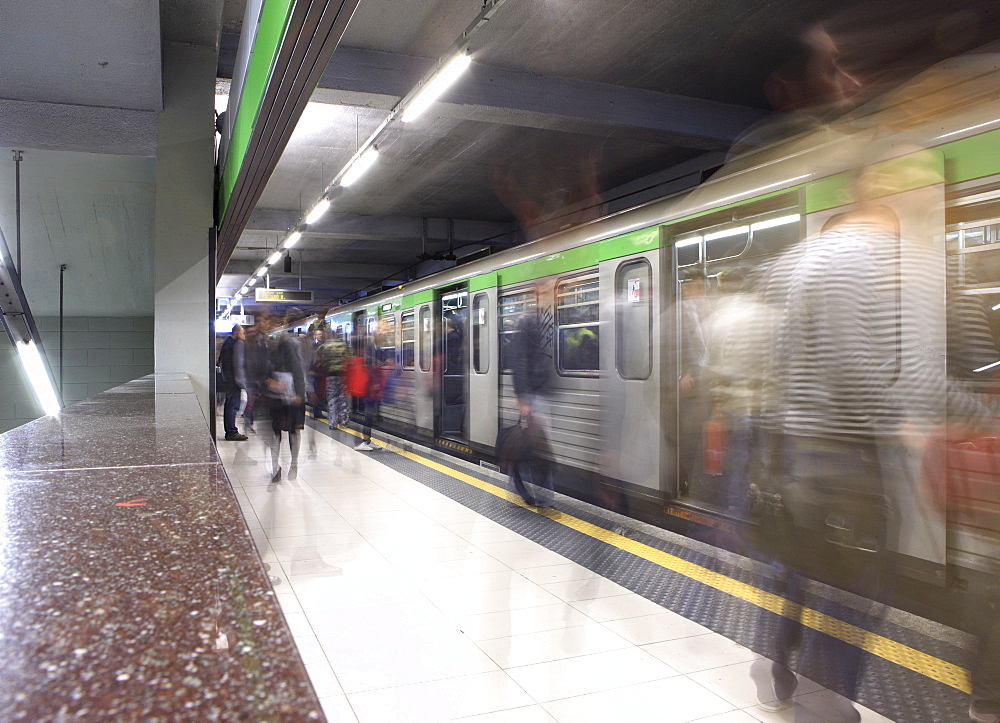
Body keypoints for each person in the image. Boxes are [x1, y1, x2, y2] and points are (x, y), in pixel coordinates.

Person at [509, 312, 555, 508]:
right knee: (533, 446)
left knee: (535, 445)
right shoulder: (527, 330)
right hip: (532, 397)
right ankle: (535, 494)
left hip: (538, 395)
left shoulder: (542, 328)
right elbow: (519, 365)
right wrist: (523, 398)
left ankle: (527, 491)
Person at [265, 330, 305, 481]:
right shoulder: (295, 354)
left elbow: (266, 374)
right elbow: (300, 376)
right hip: (291, 399)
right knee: (294, 432)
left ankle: (277, 467)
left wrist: (270, 384)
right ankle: (292, 465)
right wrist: (299, 396)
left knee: (276, 433)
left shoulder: (273, 355)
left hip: (279, 399)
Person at [217, 323, 248, 441]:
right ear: (236, 332)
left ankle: (230, 430)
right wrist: (241, 382)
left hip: (229, 379)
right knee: (232, 406)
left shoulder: (228, 343)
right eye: (242, 332)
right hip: (233, 381)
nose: (243, 334)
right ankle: (231, 432)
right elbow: (237, 364)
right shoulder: (234, 344)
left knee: (230, 405)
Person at [315, 327, 349, 429]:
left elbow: (317, 362)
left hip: (330, 376)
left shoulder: (323, 347)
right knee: (343, 399)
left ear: (328, 336)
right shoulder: (343, 345)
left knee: (332, 400)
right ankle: (344, 422)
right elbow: (349, 360)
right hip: (342, 376)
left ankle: (332, 423)